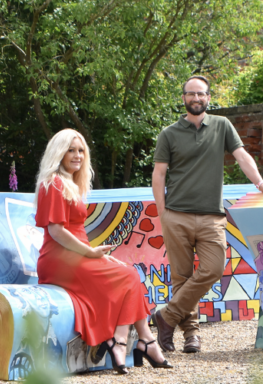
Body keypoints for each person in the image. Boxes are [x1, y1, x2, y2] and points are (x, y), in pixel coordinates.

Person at [151, 75, 263, 354]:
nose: (196, 98)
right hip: (176, 215)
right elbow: (159, 175)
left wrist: (259, 183)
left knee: (213, 268)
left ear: (208, 97)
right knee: (182, 278)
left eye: (201, 94)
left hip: (211, 216)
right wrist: (163, 214)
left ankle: (167, 316)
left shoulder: (222, 125)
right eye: (190, 94)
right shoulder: (169, 134)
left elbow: (242, 155)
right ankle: (190, 336)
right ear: (183, 97)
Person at [35, 129, 171, 374]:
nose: (77, 155)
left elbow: (76, 232)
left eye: (81, 150)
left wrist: (96, 255)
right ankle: (132, 341)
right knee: (129, 276)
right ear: (58, 152)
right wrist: (89, 253)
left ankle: (136, 340)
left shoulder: (70, 184)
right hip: (59, 259)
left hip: (74, 255)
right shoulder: (54, 183)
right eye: (71, 150)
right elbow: (56, 231)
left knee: (128, 273)